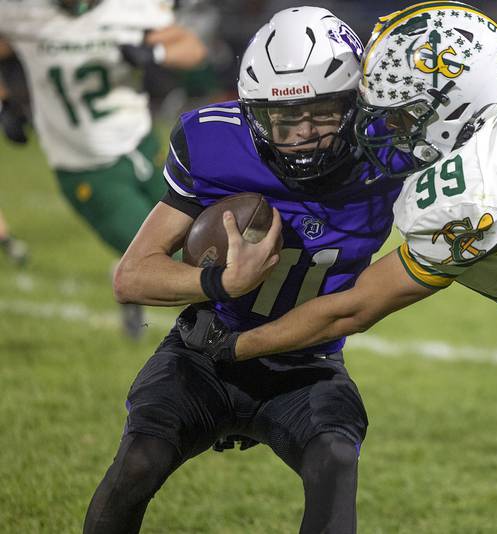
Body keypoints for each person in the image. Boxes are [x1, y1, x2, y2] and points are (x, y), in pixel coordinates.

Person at [178, 3, 497, 533]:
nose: (386, 126)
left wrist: (234, 348)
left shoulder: (472, 196)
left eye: (405, 115)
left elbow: (353, 309)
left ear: (454, 112)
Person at [83, 7, 406, 533]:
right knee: (139, 460)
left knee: (335, 460)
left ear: (355, 104)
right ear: (254, 114)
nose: (303, 133)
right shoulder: (214, 144)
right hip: (206, 351)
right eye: (285, 118)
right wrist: (220, 283)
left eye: (322, 112)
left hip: (307, 362)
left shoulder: (391, 156)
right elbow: (131, 276)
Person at [0, 0, 207, 338]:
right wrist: (4, 103)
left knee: (204, 238)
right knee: (176, 259)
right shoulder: (24, 13)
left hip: (145, 148)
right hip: (87, 170)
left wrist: (151, 54)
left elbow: (193, 49)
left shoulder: (128, 9)